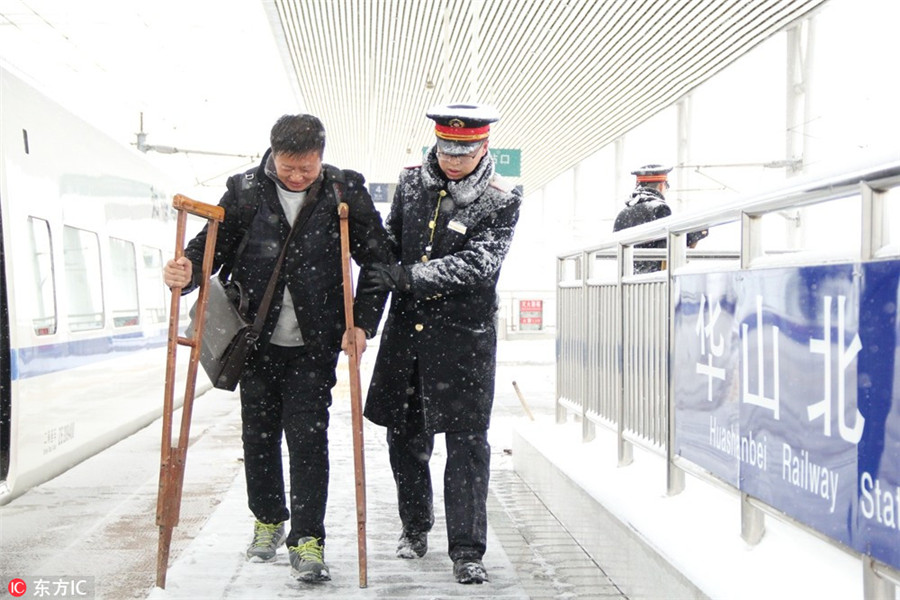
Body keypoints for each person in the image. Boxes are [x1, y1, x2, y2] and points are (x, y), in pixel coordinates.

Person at [162, 114, 391, 583]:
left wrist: (362, 323)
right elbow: (212, 248)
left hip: (315, 342)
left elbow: (378, 260)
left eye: (307, 167)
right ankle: (268, 519)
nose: (297, 176)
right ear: (273, 155)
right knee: (259, 435)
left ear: (321, 158)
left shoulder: (343, 192)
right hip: (255, 339)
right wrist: (185, 271)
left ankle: (308, 538)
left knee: (308, 438)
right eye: (289, 166)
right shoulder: (246, 191)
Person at [358, 103, 521, 584]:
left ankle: (468, 549)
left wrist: (409, 276)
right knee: (405, 440)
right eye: (446, 149)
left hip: (464, 343)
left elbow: (478, 265)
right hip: (407, 340)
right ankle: (415, 525)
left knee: (467, 446)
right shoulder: (410, 185)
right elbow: (386, 249)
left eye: (463, 152)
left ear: (483, 147)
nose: (452, 160)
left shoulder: (501, 200)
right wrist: (364, 316)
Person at [612, 164, 707, 273]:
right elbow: (667, 245)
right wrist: (694, 235)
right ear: (661, 185)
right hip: (653, 281)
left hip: (627, 280)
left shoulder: (623, 213)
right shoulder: (659, 209)